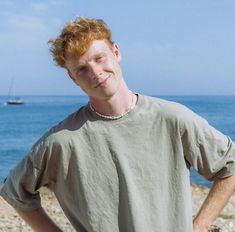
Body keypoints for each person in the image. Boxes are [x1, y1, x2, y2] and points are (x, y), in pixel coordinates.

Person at [1, 17, 235, 232]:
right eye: (82, 69)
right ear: (72, 78)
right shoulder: (62, 140)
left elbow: (230, 165)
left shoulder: (173, 118)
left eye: (99, 58)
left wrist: (199, 226)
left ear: (116, 52)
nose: (95, 72)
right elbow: (15, 191)